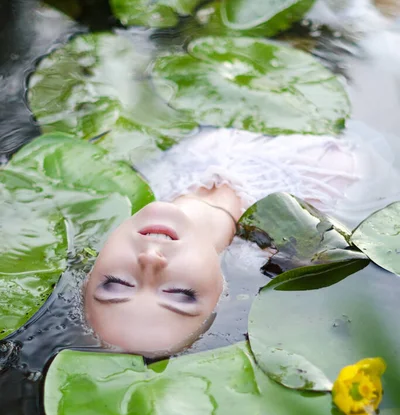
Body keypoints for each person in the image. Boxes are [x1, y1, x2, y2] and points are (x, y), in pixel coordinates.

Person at [84, 122, 400, 357]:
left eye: (115, 284)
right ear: (223, 291)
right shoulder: (321, 196)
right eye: (180, 294)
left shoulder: (119, 183)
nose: (150, 261)